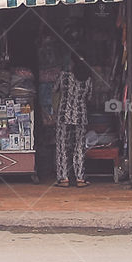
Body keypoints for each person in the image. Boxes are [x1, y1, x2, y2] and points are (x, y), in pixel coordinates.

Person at [54, 57, 93, 188]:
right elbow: (90, 96)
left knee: (62, 146)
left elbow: (54, 89)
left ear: (72, 63)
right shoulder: (87, 79)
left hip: (64, 115)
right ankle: (80, 179)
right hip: (80, 116)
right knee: (79, 147)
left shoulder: (64, 76)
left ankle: (64, 178)